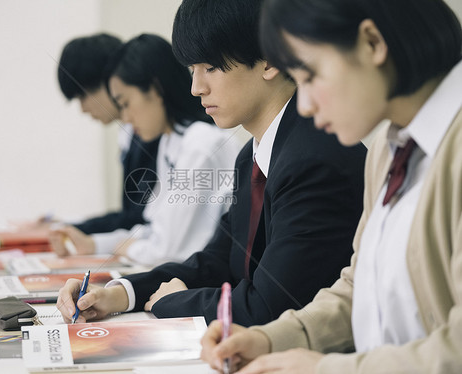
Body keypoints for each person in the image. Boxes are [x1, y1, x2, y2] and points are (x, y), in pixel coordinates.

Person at [56, 0, 366, 327]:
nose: (196, 88)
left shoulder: (314, 157)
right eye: (192, 70)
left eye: (211, 68)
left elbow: (269, 305)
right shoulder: (253, 156)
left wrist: (174, 302)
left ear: (270, 61)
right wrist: (119, 293)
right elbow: (217, 261)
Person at [200, 0, 462, 373]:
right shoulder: (390, 150)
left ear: (371, 43)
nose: (303, 106)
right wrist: (272, 339)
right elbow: (361, 286)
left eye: (309, 76)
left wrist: (326, 368)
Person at [51, 33, 241, 267]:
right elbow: (152, 229)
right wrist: (95, 244)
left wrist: (124, 247)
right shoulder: (172, 142)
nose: (126, 118)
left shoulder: (200, 144)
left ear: (155, 89)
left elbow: (166, 251)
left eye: (126, 103)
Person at [53, 34, 160, 236]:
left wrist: (78, 229)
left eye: (83, 95)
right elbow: (132, 213)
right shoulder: (130, 132)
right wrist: (68, 225)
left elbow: (141, 217)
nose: (83, 109)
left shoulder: (157, 132)